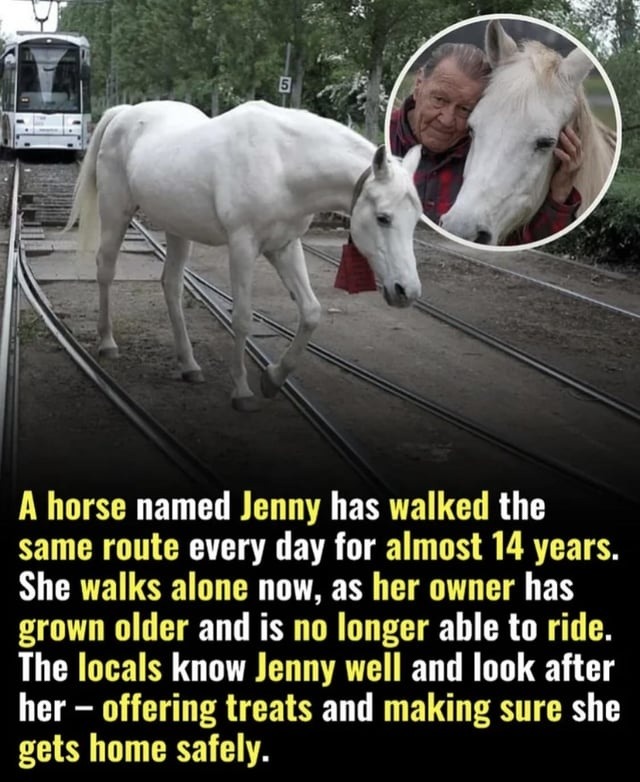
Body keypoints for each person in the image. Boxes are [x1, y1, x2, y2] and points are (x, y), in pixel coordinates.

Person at [389, 42, 583, 245]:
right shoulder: (381, 142)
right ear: (419, 84)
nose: (447, 119)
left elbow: (523, 249)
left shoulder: (484, 149)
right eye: (439, 99)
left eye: (464, 109)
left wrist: (559, 195)